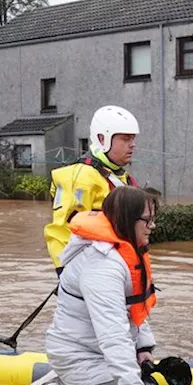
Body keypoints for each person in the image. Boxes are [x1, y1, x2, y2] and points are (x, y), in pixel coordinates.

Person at [44, 186, 171, 385]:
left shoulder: (127, 254)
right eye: (147, 220)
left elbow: (135, 308)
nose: (152, 226)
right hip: (80, 356)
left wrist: (143, 347)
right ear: (127, 220)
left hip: (98, 352)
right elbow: (112, 332)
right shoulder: (103, 266)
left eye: (154, 219)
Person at [44, 105, 141, 274]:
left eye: (133, 139)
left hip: (119, 267)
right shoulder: (82, 177)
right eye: (125, 139)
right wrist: (65, 272)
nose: (132, 145)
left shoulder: (122, 178)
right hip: (94, 271)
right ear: (103, 139)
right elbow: (62, 230)